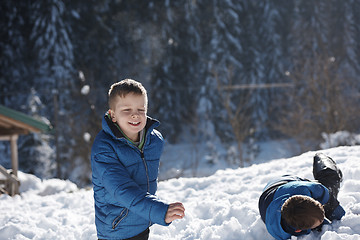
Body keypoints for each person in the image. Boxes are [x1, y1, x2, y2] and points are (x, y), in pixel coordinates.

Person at [91, 79, 185, 240]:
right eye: (126, 109)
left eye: (140, 109)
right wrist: (158, 210)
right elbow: (123, 190)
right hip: (116, 229)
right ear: (112, 115)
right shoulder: (104, 148)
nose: (135, 114)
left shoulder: (154, 140)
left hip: (142, 221)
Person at [258, 153, 345, 240]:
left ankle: (323, 160)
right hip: (269, 197)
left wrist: (338, 213)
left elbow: (323, 192)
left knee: (329, 184)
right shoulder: (280, 233)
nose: (323, 218)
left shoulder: (302, 189)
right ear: (298, 230)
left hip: (284, 182)